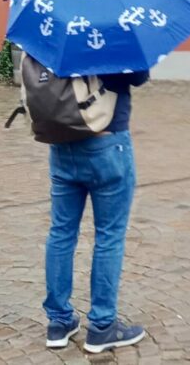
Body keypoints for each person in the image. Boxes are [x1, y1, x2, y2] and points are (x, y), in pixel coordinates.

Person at [44, 70, 150, 353]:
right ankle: (102, 326)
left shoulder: (53, 40)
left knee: (61, 233)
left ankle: (58, 322)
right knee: (109, 236)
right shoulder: (113, 39)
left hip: (62, 142)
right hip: (108, 141)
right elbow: (139, 76)